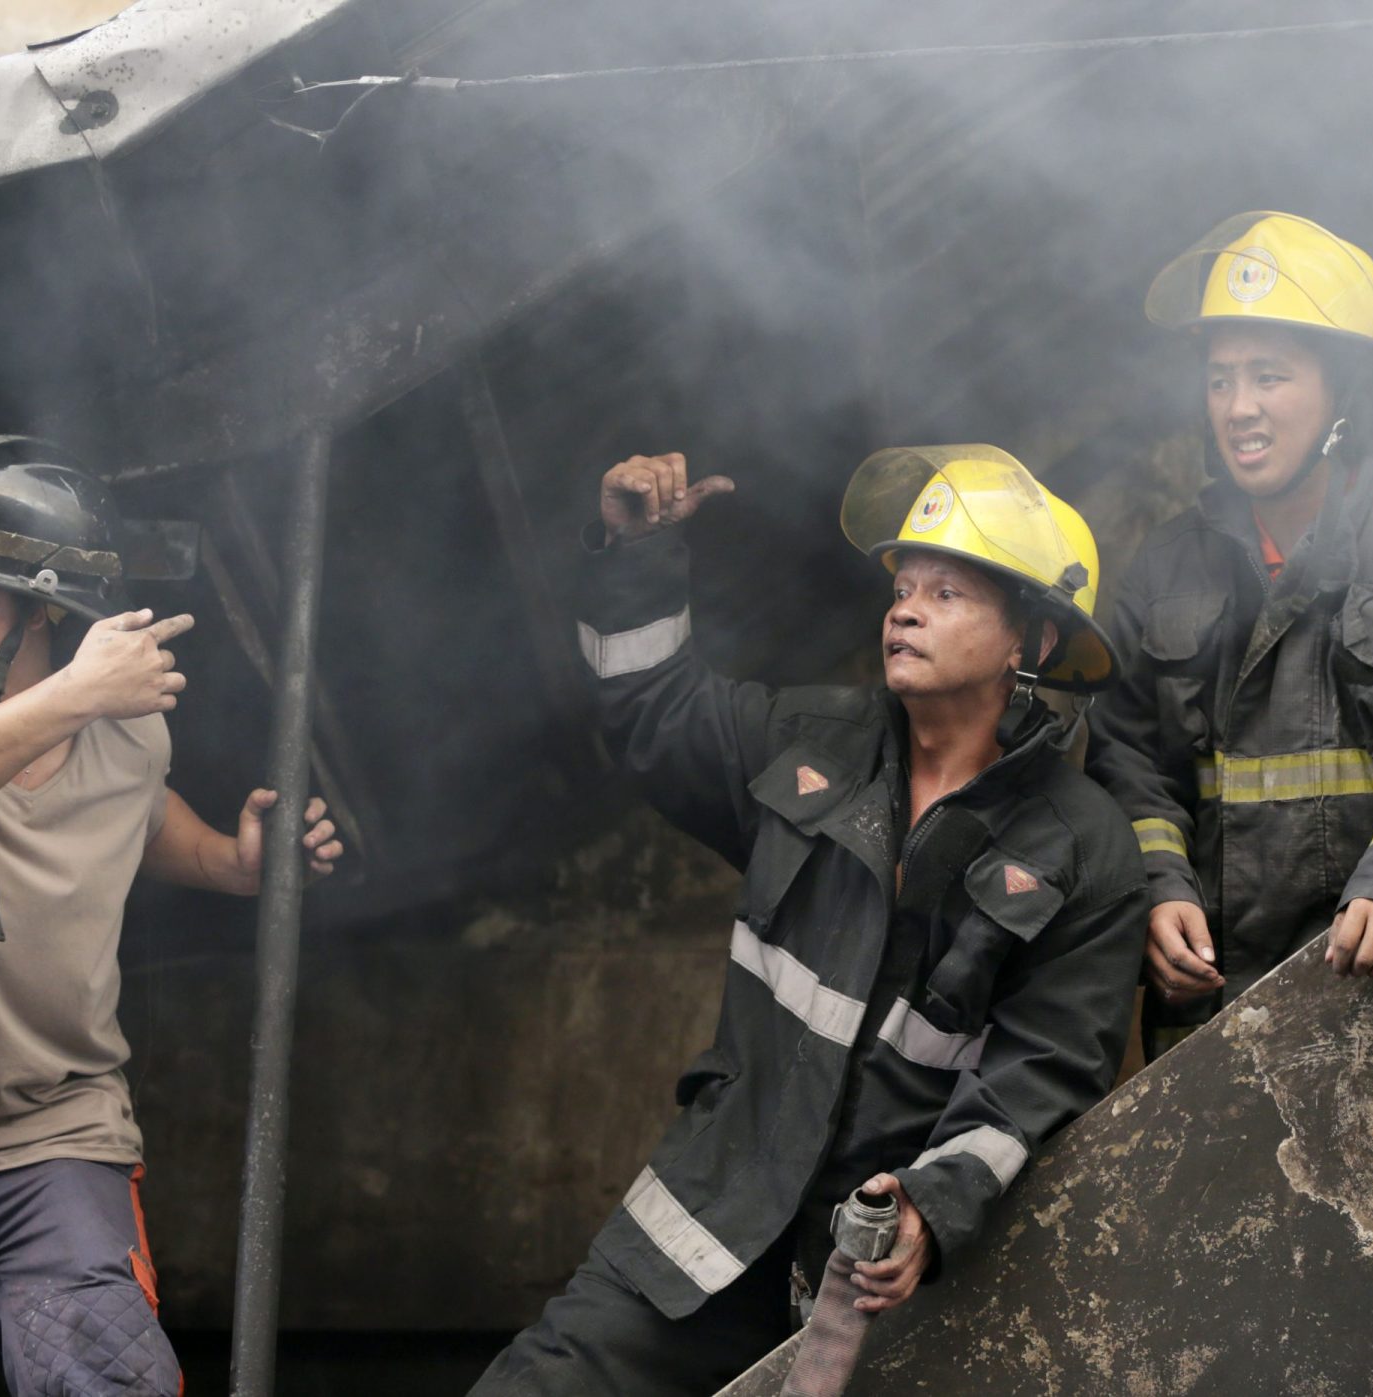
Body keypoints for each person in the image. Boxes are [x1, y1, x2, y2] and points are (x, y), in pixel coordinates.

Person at [473, 444, 1148, 1394]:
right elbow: (654, 712)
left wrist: (932, 1206)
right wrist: (638, 554)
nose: (905, 607)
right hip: (700, 1232)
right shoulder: (807, 743)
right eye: (903, 586)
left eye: (947, 594)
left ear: (1030, 642)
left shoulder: (1086, 851)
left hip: (876, 1286)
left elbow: (1042, 1076)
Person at [0, 436, 344, 1396]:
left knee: (107, 1375)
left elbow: (139, 813)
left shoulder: (129, 730)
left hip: (57, 1138)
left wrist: (233, 862)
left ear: (44, 602)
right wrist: (72, 694)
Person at [1086, 212, 1373, 1055]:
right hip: (1211, 1025)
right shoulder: (1164, 569)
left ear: (1348, 394)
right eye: (1222, 379)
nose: (1239, 408)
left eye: (1270, 376)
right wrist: (1156, 886)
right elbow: (1125, 760)